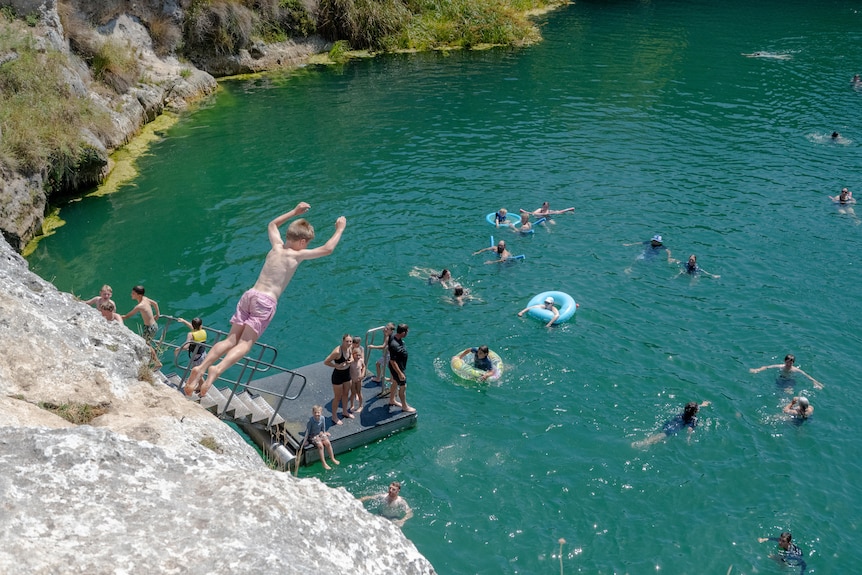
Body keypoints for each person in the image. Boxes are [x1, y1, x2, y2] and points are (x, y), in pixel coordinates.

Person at [186, 202, 346, 397]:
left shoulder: (276, 247)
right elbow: (328, 249)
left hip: (250, 294)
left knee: (230, 339)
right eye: (308, 242)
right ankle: (217, 370)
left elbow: (272, 225)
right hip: (265, 302)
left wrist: (294, 212)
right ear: (303, 242)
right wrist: (339, 229)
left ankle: (202, 366)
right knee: (245, 344)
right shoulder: (297, 255)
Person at [632, 401, 710, 447]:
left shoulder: (682, 413)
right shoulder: (694, 420)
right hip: (674, 429)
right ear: (695, 412)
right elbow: (690, 429)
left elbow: (691, 409)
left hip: (670, 423)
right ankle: (642, 444)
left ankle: (645, 442)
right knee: (661, 436)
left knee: (661, 434)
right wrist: (688, 438)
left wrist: (702, 405)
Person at [324, 334, 354, 425]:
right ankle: (334, 416)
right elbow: (326, 361)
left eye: (350, 341)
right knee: (338, 397)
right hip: (338, 375)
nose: (349, 343)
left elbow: (352, 356)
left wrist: (351, 360)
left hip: (347, 374)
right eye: (347, 341)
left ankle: (344, 411)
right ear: (343, 341)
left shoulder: (350, 347)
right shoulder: (337, 352)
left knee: (346, 394)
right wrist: (336, 365)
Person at [749, 354, 824, 390]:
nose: (789, 364)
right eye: (787, 362)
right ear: (784, 361)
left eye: (791, 363)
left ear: (793, 363)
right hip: (781, 379)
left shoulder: (795, 370)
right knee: (779, 392)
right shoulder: (780, 366)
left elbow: (806, 376)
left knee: (788, 392)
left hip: (790, 381)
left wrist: (815, 382)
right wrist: (757, 370)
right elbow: (767, 367)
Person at [301, 405, 339, 470]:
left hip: (320, 433)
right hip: (312, 435)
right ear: (313, 413)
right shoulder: (311, 421)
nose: (317, 414)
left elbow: (323, 427)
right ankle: (324, 463)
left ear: (321, 412)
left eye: (318, 412)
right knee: (321, 446)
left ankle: (332, 458)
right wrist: (305, 440)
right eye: (315, 412)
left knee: (327, 443)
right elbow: (308, 431)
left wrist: (324, 433)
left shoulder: (322, 418)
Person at [388, 324, 415, 412]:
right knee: (403, 387)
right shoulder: (394, 345)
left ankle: (392, 400)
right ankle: (404, 406)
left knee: (395, 382)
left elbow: (388, 332)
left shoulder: (392, 336)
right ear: (403, 333)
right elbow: (393, 361)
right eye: (407, 332)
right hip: (397, 369)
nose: (408, 333)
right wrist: (400, 373)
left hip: (397, 367)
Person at [369, 322, 394, 387]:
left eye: (387, 328)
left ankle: (378, 378)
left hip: (388, 355)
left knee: (377, 364)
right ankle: (391, 379)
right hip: (391, 354)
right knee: (390, 367)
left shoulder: (388, 337)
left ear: (391, 330)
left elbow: (383, 346)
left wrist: (373, 347)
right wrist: (385, 334)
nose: (385, 329)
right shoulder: (391, 335)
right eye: (385, 327)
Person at [349, 344, 365, 413]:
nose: (358, 357)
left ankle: (361, 405)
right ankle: (352, 405)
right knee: (352, 393)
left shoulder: (361, 361)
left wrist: (362, 375)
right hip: (352, 380)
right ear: (353, 354)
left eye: (359, 355)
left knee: (359, 392)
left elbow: (364, 367)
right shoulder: (351, 363)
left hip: (359, 380)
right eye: (357, 355)